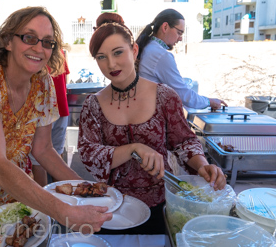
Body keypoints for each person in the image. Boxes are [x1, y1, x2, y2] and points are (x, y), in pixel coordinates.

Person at [0, 6, 112, 233]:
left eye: (47, 42)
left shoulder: (43, 84)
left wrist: (87, 190)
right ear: (7, 41)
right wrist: (65, 212)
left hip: (12, 206)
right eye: (29, 38)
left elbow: (43, 149)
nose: (39, 48)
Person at [78, 12, 227, 235]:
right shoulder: (93, 105)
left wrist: (202, 165)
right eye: (101, 57)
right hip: (111, 207)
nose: (111, 64)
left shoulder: (165, 96)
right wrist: (132, 149)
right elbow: (89, 153)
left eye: (118, 52)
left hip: (161, 203)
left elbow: (185, 141)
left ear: (134, 50)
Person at [136, 9, 227, 110]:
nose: (180, 38)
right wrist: (209, 102)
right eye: (179, 32)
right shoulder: (161, 55)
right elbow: (184, 95)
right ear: (165, 27)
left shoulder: (147, 46)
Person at [30, 49, 70, 187]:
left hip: (41, 109)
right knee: (57, 152)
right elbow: (66, 80)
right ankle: (63, 193)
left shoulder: (35, 55)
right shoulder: (60, 53)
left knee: (38, 159)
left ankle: (43, 200)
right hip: (61, 107)